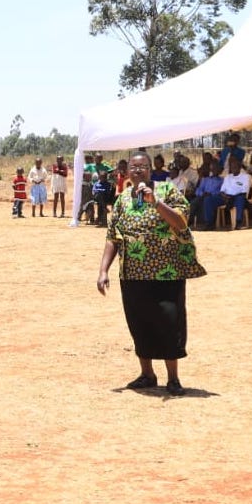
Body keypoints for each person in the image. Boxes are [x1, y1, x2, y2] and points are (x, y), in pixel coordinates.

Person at [97, 151, 206, 396]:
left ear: (151, 169)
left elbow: (180, 222)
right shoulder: (122, 198)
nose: (138, 171)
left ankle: (173, 379)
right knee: (139, 323)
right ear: (127, 172)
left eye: (143, 166)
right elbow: (113, 237)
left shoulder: (167, 191)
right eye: (134, 167)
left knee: (169, 323)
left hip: (166, 273)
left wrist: (155, 202)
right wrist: (103, 270)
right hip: (132, 275)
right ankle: (147, 374)